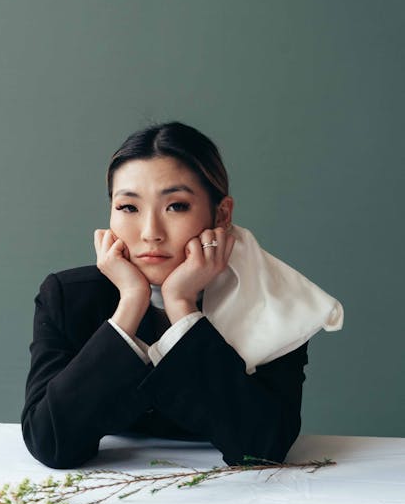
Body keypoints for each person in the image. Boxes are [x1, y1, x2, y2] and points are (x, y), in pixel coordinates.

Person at [21, 121, 343, 469]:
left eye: (176, 206)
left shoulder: (274, 300)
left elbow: (262, 449)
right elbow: (50, 443)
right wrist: (131, 301)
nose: (150, 233)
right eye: (128, 207)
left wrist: (181, 307)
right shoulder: (67, 297)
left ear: (221, 214)